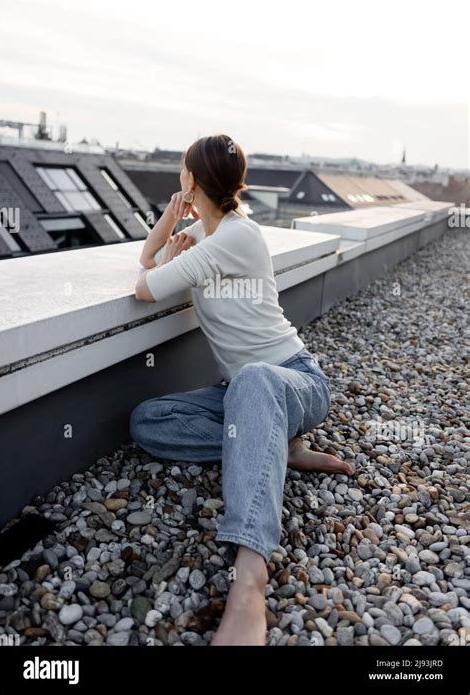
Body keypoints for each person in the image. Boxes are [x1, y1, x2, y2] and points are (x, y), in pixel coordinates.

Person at [130, 134, 353, 645]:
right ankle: (274, 446)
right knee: (148, 419)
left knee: (253, 380)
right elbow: (148, 261)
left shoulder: (236, 237)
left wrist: (174, 245)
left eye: (182, 175)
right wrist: (173, 216)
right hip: (242, 395)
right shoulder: (206, 240)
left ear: (191, 179)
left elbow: (145, 287)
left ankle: (249, 579)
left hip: (297, 379)